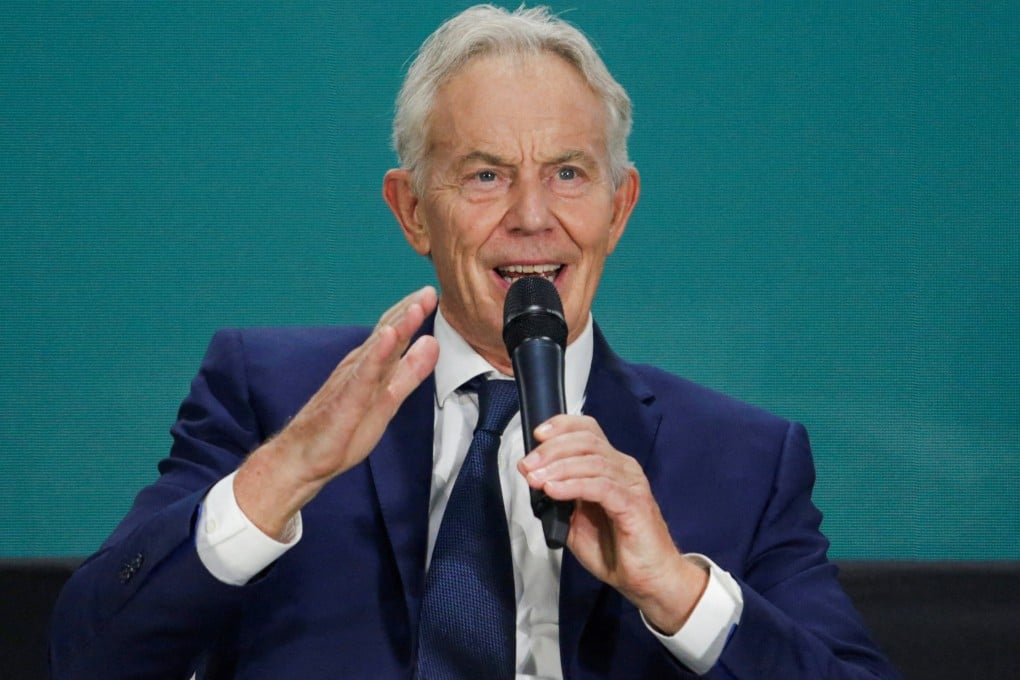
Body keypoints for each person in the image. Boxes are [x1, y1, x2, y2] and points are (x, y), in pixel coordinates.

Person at [50, 5, 899, 678]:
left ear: (619, 206)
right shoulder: (271, 394)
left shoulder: (746, 459)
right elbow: (89, 656)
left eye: (568, 173)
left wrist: (676, 591)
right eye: (486, 175)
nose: (532, 217)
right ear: (412, 209)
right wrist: (282, 474)